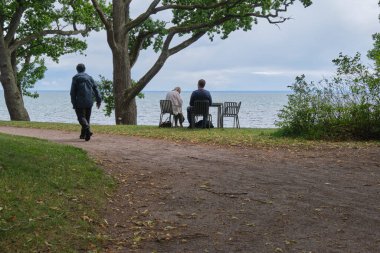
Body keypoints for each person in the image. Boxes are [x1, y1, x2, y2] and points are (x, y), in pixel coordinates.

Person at [70, 63, 101, 141]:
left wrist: (73, 103)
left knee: (81, 117)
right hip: (89, 100)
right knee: (87, 118)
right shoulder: (89, 77)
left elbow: (72, 92)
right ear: (84, 69)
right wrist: (98, 100)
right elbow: (96, 89)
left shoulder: (75, 78)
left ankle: (87, 129)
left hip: (79, 101)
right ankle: (84, 135)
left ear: (77, 69)